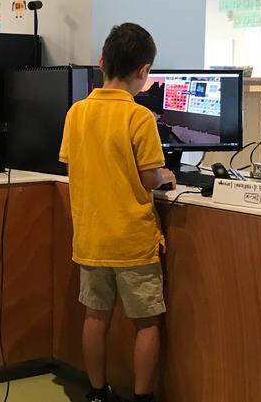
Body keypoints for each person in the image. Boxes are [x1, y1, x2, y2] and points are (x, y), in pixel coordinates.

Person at [58, 23, 174, 402]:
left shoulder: (76, 113)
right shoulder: (139, 118)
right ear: (143, 72)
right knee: (146, 323)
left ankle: (96, 392)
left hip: (91, 237)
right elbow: (148, 178)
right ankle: (142, 398)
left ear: (101, 62)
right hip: (132, 241)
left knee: (95, 317)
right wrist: (166, 174)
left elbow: (76, 164)